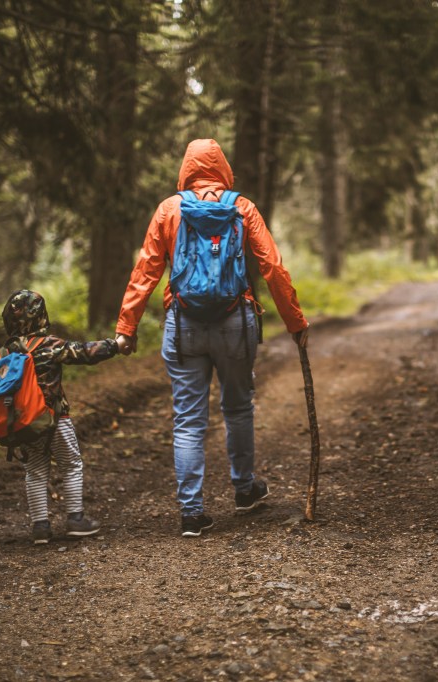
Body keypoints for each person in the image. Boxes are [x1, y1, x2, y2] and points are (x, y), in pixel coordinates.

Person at [115, 138, 309, 538]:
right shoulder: (241, 207)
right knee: (237, 408)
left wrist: (126, 329)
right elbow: (272, 266)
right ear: (223, 168)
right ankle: (243, 489)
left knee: (188, 420)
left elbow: (146, 272)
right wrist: (295, 322)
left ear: (186, 168)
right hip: (235, 322)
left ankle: (191, 512)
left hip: (183, 325)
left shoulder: (169, 210)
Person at [0, 289, 120, 544]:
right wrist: (115, 345)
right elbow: (84, 352)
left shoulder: (6, 351)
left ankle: (40, 527)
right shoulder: (48, 345)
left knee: (34, 470)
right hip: (55, 418)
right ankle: (75, 520)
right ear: (41, 315)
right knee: (71, 464)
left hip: (25, 422)